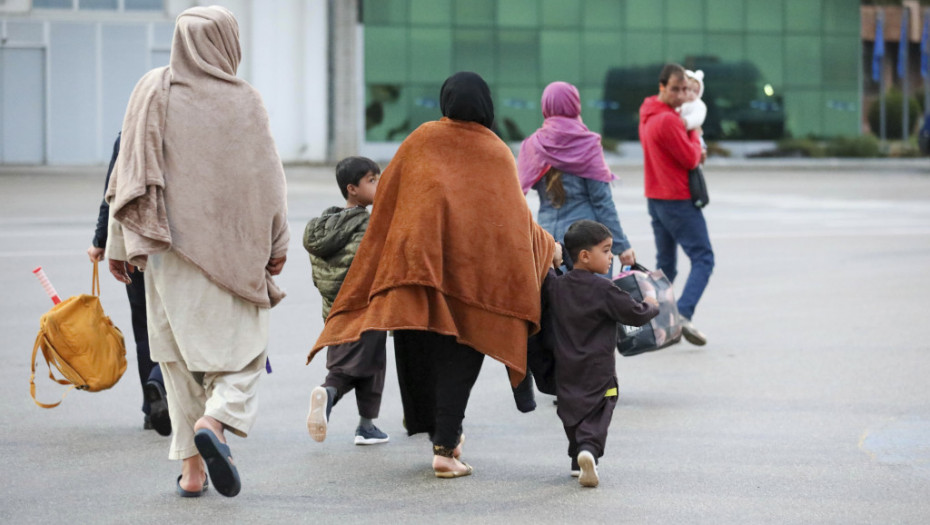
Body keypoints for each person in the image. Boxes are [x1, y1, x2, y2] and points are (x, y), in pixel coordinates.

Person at [310, 71, 560, 479]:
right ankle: (446, 447)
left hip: (418, 277)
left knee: (421, 356)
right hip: (471, 284)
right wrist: (548, 247)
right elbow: (513, 221)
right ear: (486, 105)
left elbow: (389, 201)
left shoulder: (421, 140)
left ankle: (442, 436)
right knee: (460, 361)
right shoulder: (495, 151)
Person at [104, 6, 289, 498]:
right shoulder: (245, 101)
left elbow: (129, 172)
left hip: (165, 253)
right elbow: (269, 179)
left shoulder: (152, 91)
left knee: (178, 362)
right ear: (228, 43)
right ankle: (218, 419)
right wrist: (278, 243)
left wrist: (120, 244)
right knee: (245, 355)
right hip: (231, 251)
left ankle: (191, 473)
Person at [546, 220, 659, 488]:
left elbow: (550, 273)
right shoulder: (604, 289)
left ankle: (577, 459)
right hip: (599, 369)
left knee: (572, 409)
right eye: (606, 250)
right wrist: (652, 303)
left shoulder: (556, 286)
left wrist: (554, 260)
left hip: (565, 366)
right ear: (585, 256)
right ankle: (589, 450)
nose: (611, 257)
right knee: (600, 410)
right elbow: (636, 314)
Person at [87, 132, 170, 436]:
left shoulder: (129, 133)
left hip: (135, 243)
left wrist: (101, 241)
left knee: (144, 327)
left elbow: (113, 191)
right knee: (178, 324)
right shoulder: (189, 124)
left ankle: (152, 405)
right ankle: (166, 389)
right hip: (176, 246)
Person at [304, 156, 390, 446]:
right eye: (371, 180)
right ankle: (329, 394)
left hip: (335, 313)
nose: (378, 185)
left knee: (360, 364)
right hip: (365, 309)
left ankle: (367, 426)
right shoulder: (367, 225)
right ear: (352, 188)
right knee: (361, 367)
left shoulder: (327, 225)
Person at [518, 81, 635, 274]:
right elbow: (602, 203)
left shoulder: (532, 145)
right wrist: (622, 246)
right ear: (575, 104)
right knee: (592, 302)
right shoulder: (587, 143)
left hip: (547, 242)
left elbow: (518, 195)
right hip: (586, 244)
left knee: (553, 300)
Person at [638, 63, 713, 346]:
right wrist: (695, 134)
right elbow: (691, 158)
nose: (682, 95)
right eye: (675, 89)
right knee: (704, 258)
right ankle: (683, 313)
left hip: (655, 197)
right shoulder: (670, 120)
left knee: (666, 264)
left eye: (685, 89)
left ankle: (657, 323)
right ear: (662, 87)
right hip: (677, 199)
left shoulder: (647, 112)